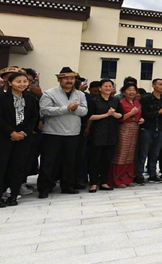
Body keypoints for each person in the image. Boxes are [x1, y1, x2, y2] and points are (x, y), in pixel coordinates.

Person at [38, 67, 88, 198]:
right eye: (66, 78)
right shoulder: (49, 93)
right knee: (48, 162)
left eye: (71, 78)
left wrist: (74, 109)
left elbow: (84, 111)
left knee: (70, 161)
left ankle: (67, 185)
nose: (69, 81)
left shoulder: (80, 94)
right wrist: (67, 108)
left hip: (72, 133)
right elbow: (45, 110)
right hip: (53, 133)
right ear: (59, 80)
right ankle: (45, 187)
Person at [0, 72, 41, 207]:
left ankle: (14, 195)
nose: (22, 84)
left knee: (18, 167)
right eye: (18, 81)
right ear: (10, 83)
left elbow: (34, 118)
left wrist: (23, 132)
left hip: (24, 138)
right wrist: (11, 132)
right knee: (3, 166)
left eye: (25, 81)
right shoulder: (2, 98)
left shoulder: (30, 98)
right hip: (5, 137)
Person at [85, 79, 120, 192]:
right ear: (100, 88)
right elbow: (90, 117)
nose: (108, 88)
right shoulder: (94, 101)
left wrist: (114, 114)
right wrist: (106, 114)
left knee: (107, 159)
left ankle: (104, 182)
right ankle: (94, 183)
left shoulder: (115, 101)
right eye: (106, 86)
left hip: (112, 134)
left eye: (110, 86)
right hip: (98, 134)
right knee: (95, 160)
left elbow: (121, 115)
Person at [138, 78, 162, 184]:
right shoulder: (146, 99)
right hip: (147, 129)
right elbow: (143, 114)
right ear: (153, 86)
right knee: (143, 153)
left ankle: (153, 174)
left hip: (160, 129)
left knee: (155, 154)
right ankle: (138, 175)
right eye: (159, 84)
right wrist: (158, 112)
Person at [110, 83, 143, 187]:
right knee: (121, 154)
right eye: (129, 90)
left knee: (130, 154)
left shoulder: (137, 103)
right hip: (123, 128)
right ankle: (117, 180)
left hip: (135, 128)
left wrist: (141, 119)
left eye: (134, 90)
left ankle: (127, 179)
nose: (132, 92)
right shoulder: (120, 103)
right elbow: (118, 118)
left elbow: (139, 115)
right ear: (123, 92)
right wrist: (130, 113)